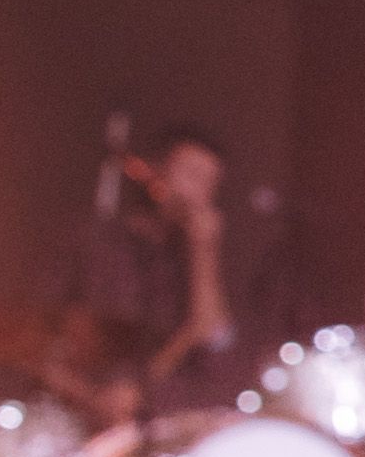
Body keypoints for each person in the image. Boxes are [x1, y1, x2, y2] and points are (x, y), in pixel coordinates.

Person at [58, 120, 274, 427]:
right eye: (190, 175)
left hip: (170, 427)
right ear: (155, 171)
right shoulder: (94, 244)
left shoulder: (198, 259)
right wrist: (91, 397)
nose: (197, 192)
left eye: (208, 184)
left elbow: (215, 343)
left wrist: (204, 253)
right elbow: (40, 339)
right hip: (84, 420)